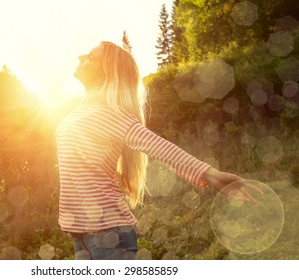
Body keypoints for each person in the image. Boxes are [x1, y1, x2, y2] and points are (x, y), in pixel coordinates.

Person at [55, 41, 262, 260]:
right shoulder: (83, 110)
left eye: (90, 57)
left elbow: (160, 148)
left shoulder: (111, 114)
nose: (80, 56)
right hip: (82, 235)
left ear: (107, 73)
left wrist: (211, 174)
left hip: (108, 237)